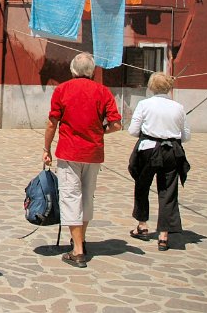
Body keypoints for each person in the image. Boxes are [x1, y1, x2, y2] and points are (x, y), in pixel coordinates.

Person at [43, 52, 122, 269]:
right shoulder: (103, 91)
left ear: (72, 70)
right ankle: (80, 239)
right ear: (92, 71)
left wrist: (46, 148)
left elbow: (52, 123)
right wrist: (99, 131)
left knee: (71, 196)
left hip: (69, 152)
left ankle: (77, 250)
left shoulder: (62, 90)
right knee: (87, 197)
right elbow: (116, 124)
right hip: (93, 153)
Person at [127, 72, 191, 251]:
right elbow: (186, 136)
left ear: (151, 87)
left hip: (148, 149)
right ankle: (164, 234)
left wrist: (150, 131)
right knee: (168, 191)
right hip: (172, 151)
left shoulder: (144, 104)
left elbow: (133, 130)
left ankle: (142, 224)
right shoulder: (178, 107)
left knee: (142, 185)